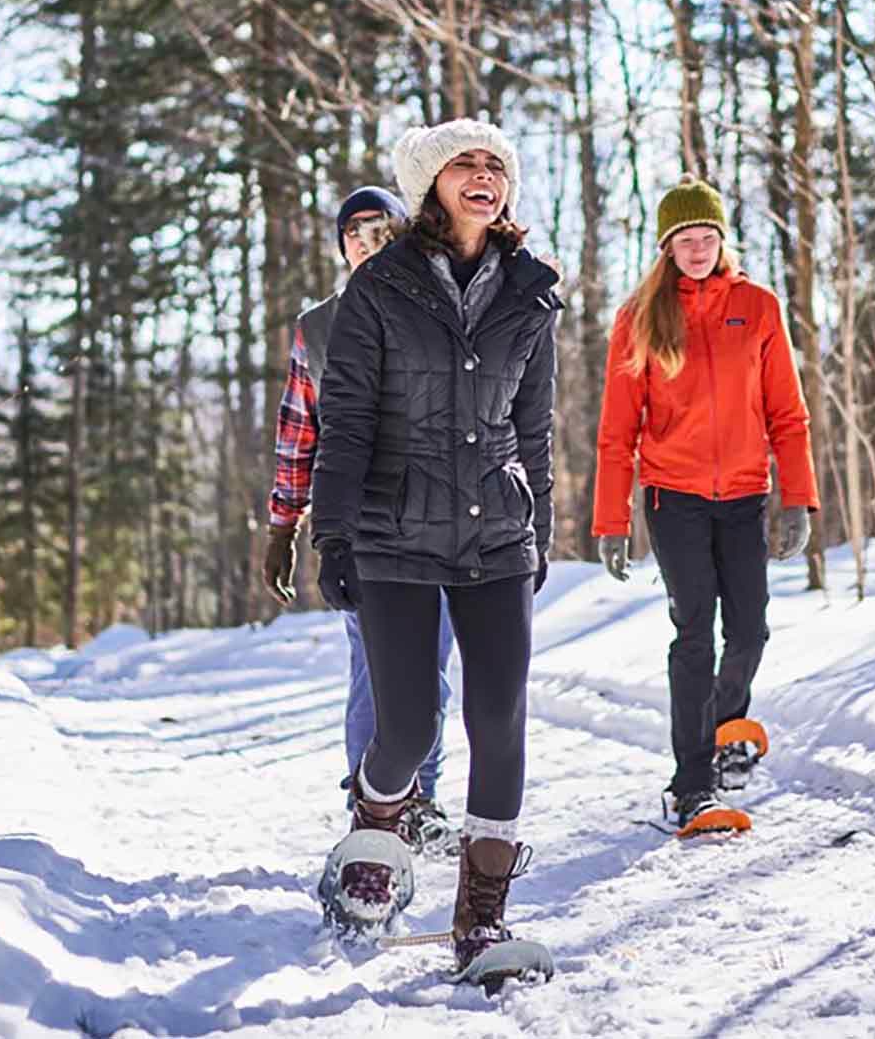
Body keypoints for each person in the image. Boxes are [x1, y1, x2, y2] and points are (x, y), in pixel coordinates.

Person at [310, 118, 560, 980]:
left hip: (496, 530)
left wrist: (542, 530)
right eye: (466, 164)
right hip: (391, 530)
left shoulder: (532, 290)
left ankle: (480, 924)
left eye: (496, 165)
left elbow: (535, 426)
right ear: (429, 184)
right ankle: (374, 828)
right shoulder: (378, 287)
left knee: (500, 724)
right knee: (407, 726)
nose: (484, 175)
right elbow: (343, 420)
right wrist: (331, 530)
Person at [590, 177, 817, 833]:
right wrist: (611, 521)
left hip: (744, 496)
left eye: (706, 237)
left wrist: (797, 499)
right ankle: (690, 783)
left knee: (749, 628)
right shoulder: (640, 317)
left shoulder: (758, 306)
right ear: (666, 247)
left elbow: (787, 414)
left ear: (721, 240)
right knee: (694, 631)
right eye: (683, 239)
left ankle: (723, 729)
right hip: (674, 498)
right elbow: (616, 431)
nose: (696, 248)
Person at [261, 186, 457, 849]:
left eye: (379, 228)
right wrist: (282, 525)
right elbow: (298, 431)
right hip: (363, 521)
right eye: (353, 232)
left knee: (429, 667)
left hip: (445, 516)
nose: (367, 241)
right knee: (374, 665)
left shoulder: (443, 305)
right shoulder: (318, 326)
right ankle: (371, 798)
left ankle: (419, 795)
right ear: (342, 247)